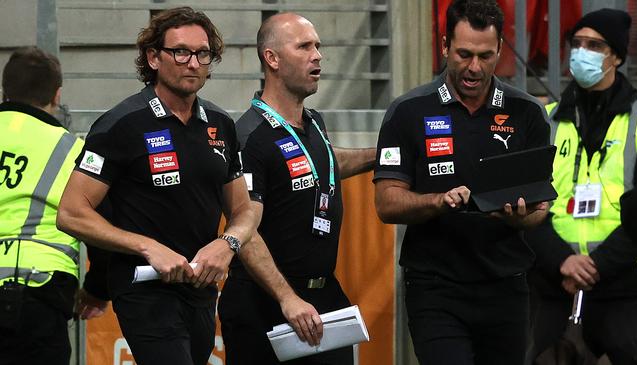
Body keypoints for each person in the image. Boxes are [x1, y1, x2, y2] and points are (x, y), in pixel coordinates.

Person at [56, 7, 257, 365]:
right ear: (153, 57)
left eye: (202, 53)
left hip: (201, 288)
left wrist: (227, 244)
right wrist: (149, 247)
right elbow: (71, 213)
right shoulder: (121, 125)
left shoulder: (221, 124)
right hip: (144, 287)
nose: (192, 63)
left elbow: (244, 210)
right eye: (180, 51)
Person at [374, 0, 551, 364]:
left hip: (506, 285)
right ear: (444, 46)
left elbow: (539, 209)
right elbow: (387, 203)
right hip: (435, 288)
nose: (474, 67)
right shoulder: (408, 110)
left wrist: (519, 217)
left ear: (500, 48)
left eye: (486, 56)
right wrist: (439, 202)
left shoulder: (528, 112)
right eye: (464, 54)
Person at [217, 12, 375, 365]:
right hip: (267, 303)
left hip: (322, 297)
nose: (317, 54)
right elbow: (245, 229)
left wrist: (381, 157)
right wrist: (287, 298)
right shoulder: (249, 136)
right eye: (304, 46)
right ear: (271, 58)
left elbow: (328, 162)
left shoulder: (313, 122)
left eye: (318, 45)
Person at [526, 8, 637, 365]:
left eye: (594, 45)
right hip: (553, 282)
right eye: (576, 43)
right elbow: (523, 202)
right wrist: (562, 260)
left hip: (625, 286)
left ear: (617, 56)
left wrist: (594, 265)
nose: (582, 52)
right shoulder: (545, 120)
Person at [0, 47, 84, 365]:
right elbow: (95, 216)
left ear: (5, 90)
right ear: (57, 94)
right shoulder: (71, 148)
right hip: (38, 288)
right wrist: (98, 288)